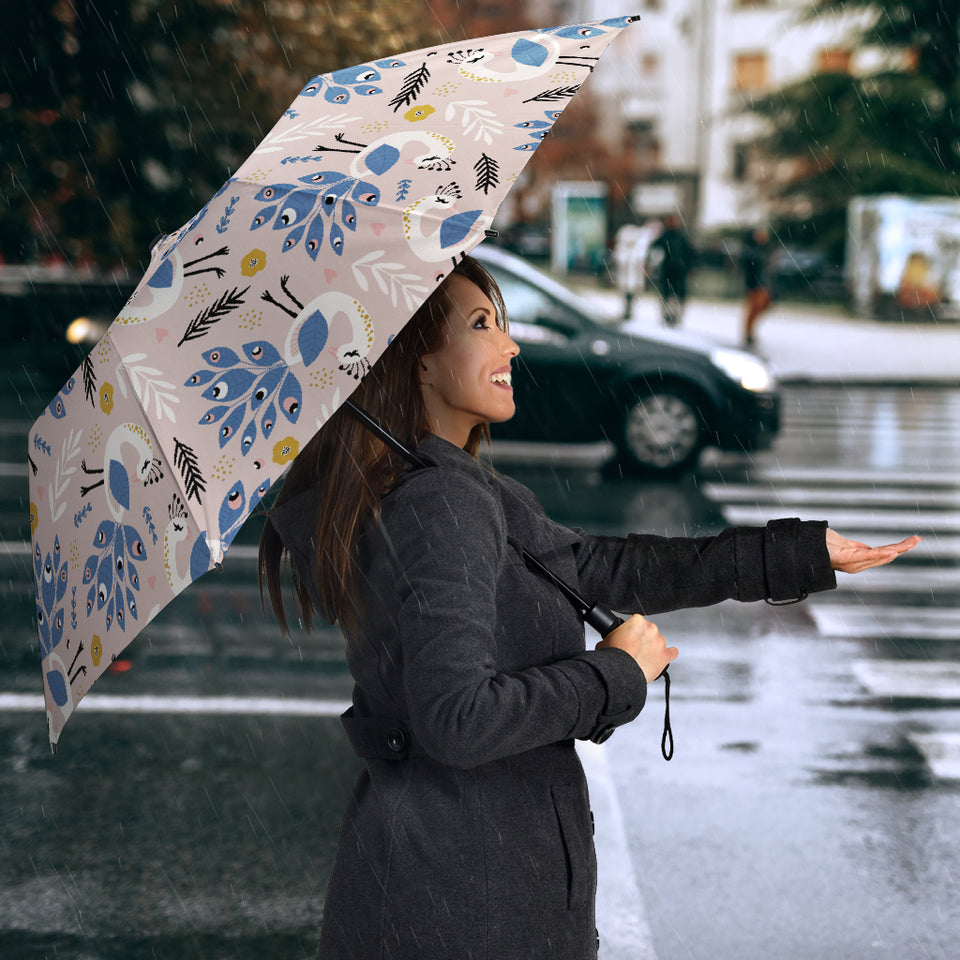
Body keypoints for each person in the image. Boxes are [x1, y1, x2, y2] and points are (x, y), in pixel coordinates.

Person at [258, 256, 919, 960]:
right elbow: (456, 719)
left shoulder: (448, 488)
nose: (510, 345)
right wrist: (614, 673)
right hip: (467, 902)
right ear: (416, 362)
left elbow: (603, 567)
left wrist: (796, 554)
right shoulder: (440, 504)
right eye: (482, 325)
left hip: (453, 883)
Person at [648, 213, 695, 327]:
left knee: (677, 295)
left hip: (679, 271)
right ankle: (667, 315)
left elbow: (690, 253)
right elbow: (654, 249)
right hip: (668, 270)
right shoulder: (665, 236)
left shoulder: (681, 237)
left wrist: (690, 267)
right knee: (667, 294)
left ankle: (675, 316)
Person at [741, 226, 772, 347]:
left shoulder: (763, 249)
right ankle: (748, 333)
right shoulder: (750, 250)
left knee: (762, 306)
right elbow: (750, 265)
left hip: (763, 283)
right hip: (754, 284)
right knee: (754, 308)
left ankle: (750, 331)